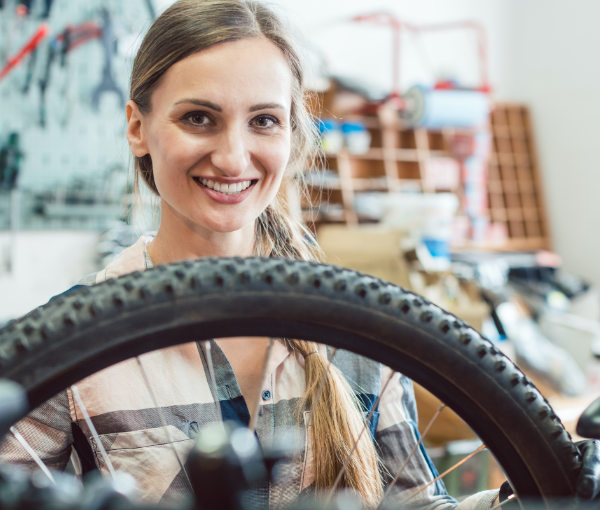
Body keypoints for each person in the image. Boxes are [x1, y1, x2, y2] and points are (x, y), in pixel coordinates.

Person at [1, 1, 599, 508]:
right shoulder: (71, 352)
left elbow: (414, 504)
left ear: (291, 132)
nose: (234, 159)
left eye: (263, 120)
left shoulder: (363, 328)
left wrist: (540, 498)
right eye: (198, 118)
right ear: (138, 126)